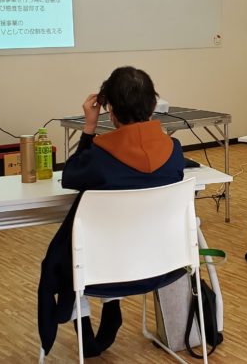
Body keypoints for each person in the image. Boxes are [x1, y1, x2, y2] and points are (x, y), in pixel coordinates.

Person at [37, 66, 185, 359]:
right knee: (118, 234)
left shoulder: (99, 158)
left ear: (110, 110)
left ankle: (90, 320)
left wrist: (89, 127)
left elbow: (71, 176)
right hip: (160, 267)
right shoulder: (175, 152)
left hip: (100, 271)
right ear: (154, 106)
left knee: (71, 252)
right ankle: (111, 305)